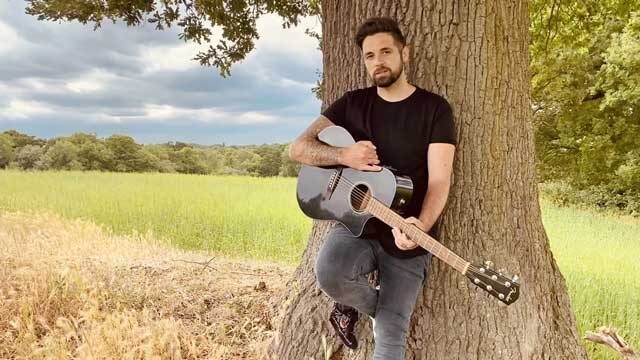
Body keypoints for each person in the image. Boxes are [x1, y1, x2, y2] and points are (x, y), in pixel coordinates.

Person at [288, 17, 456, 360]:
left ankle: (388, 318)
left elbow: (440, 180)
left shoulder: (434, 109)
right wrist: (343, 154)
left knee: (392, 337)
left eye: (385, 51)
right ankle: (354, 307)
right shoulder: (352, 104)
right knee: (331, 275)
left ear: (404, 54)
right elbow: (298, 148)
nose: (378, 61)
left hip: (406, 232)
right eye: (369, 56)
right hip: (356, 224)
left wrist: (420, 225)